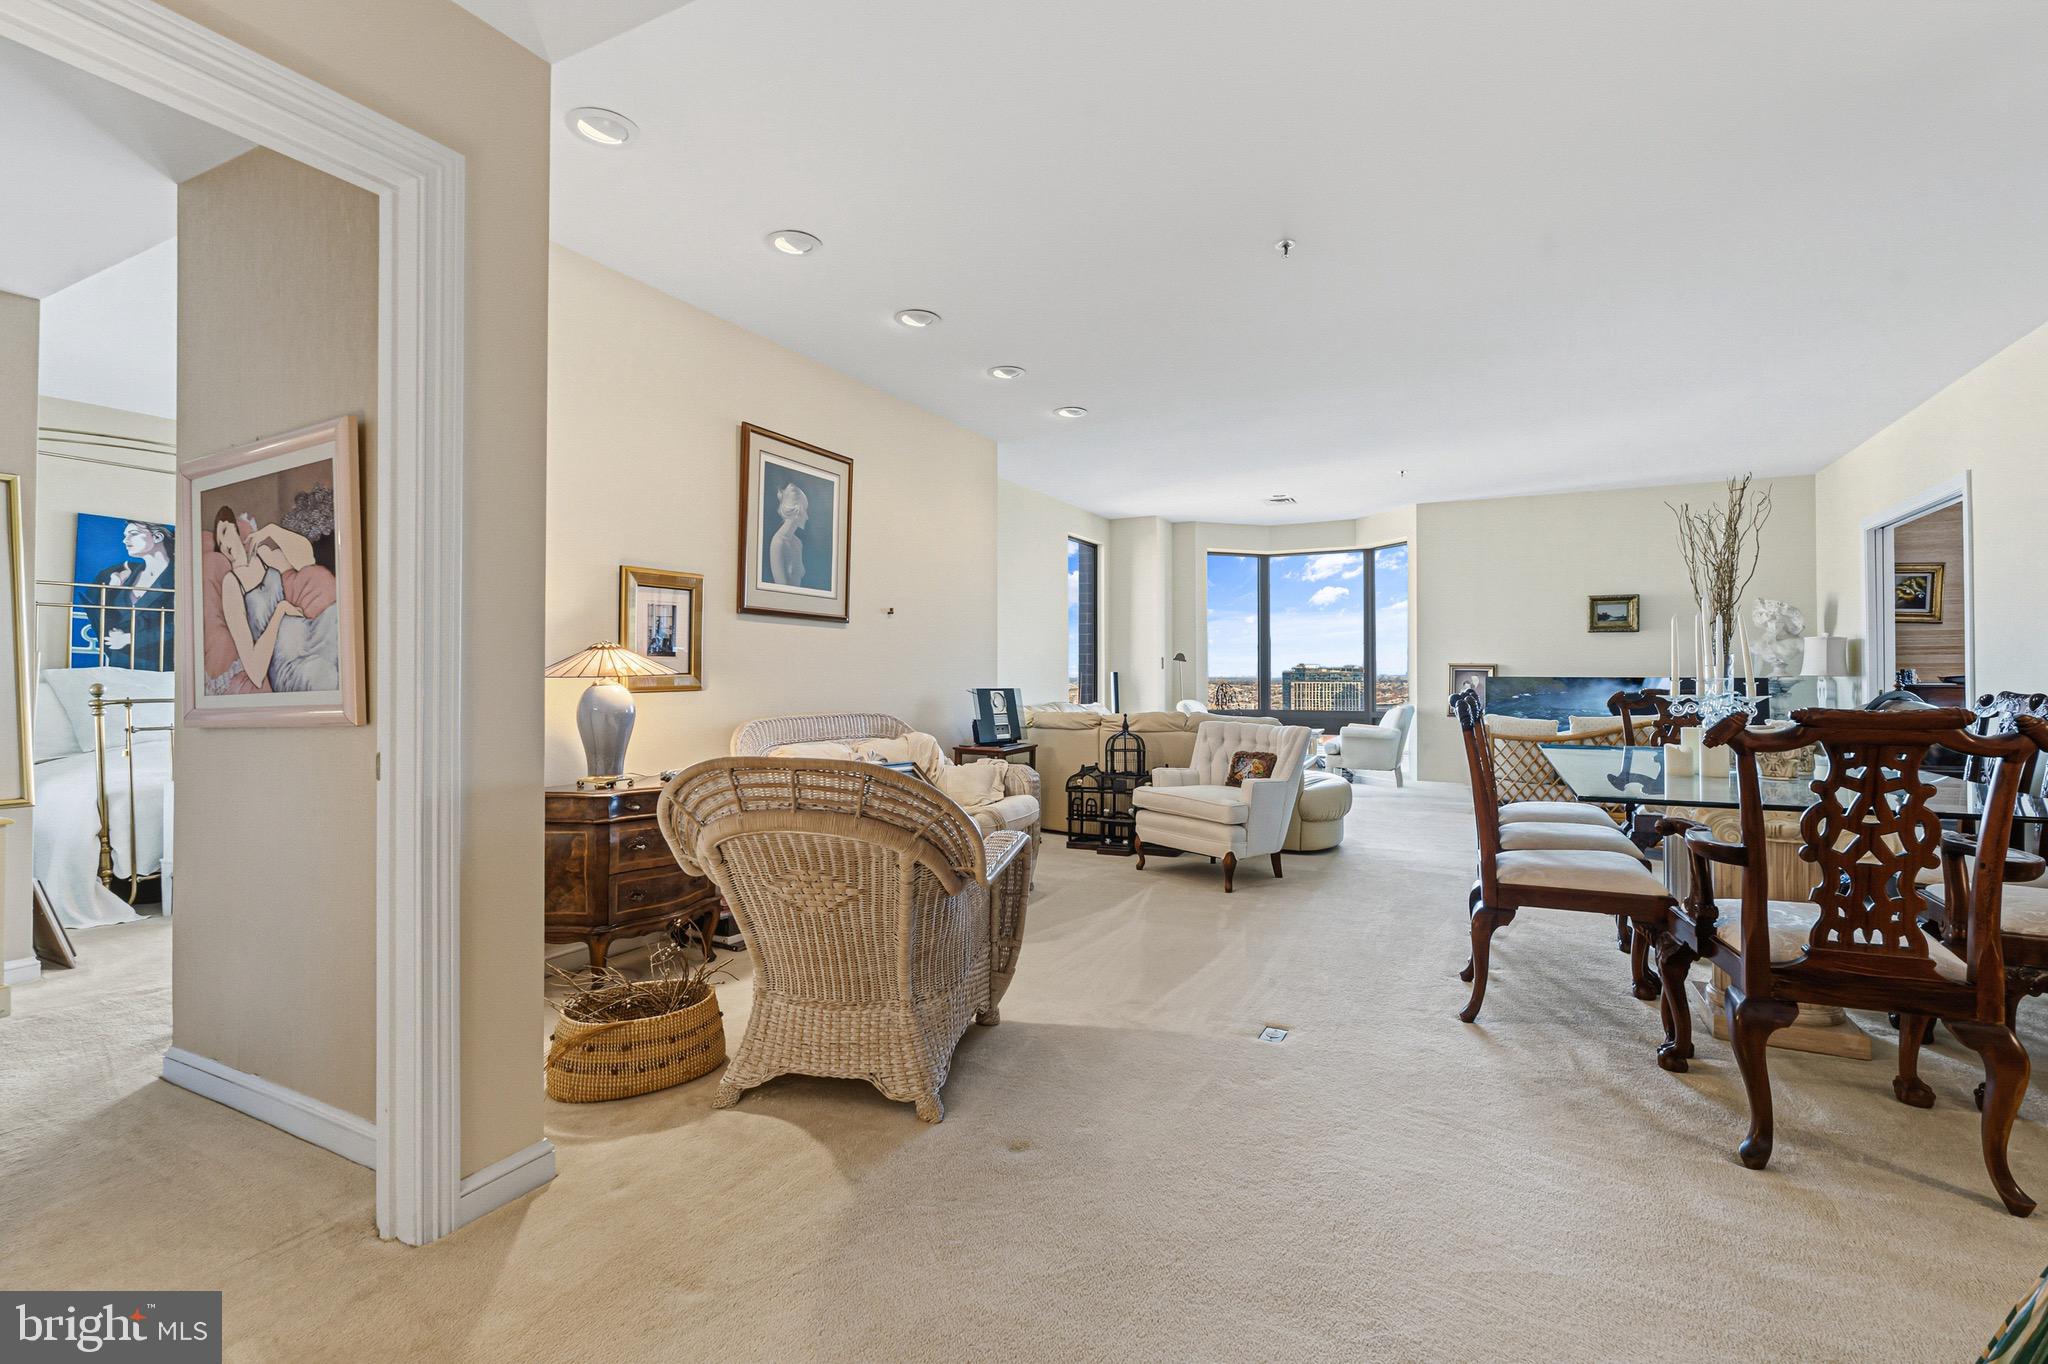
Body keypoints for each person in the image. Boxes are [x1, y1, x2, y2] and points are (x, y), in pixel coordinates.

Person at [204, 506, 340, 694]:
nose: (224, 544)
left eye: (226, 532)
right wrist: (280, 612)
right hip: (287, 662)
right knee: (323, 676)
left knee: (339, 620)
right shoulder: (232, 583)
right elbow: (255, 672)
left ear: (237, 531)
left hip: (312, 634)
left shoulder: (263, 555)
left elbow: (307, 560)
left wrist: (272, 531)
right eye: (219, 542)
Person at [76, 520, 174, 670]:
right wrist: (113, 588)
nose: (125, 540)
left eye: (133, 534)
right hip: (120, 663)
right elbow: (106, 618)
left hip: (158, 666)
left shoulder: (178, 576)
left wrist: (130, 639)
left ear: (157, 537)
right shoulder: (123, 573)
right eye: (125, 535)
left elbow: (177, 625)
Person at [768, 481, 808, 587]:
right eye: (805, 510)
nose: (807, 517)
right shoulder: (778, 543)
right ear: (797, 511)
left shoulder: (798, 543)